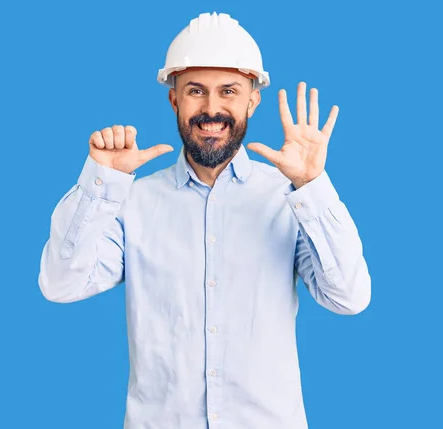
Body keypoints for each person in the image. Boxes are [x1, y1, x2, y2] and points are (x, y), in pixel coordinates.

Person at [38, 11, 371, 429]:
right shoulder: (132, 200)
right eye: (196, 91)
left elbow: (349, 297)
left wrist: (311, 186)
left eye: (228, 91)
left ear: (252, 99)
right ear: (174, 98)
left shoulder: (289, 199)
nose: (211, 109)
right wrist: (101, 183)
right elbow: (60, 285)